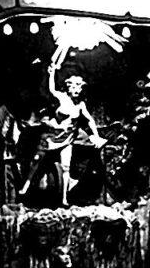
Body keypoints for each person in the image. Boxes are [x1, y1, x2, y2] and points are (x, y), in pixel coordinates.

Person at [18, 64, 106, 206]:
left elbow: (89, 120)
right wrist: (51, 73)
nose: (77, 90)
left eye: (79, 87)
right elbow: (51, 90)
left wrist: (95, 135)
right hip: (52, 135)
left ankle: (64, 198)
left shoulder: (80, 105)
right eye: (74, 87)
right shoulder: (61, 97)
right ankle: (26, 185)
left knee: (66, 166)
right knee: (37, 159)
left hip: (67, 138)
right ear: (68, 87)